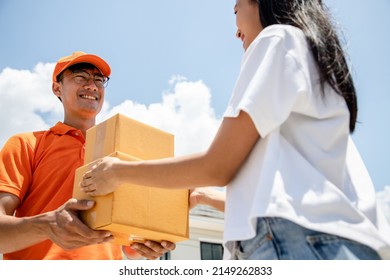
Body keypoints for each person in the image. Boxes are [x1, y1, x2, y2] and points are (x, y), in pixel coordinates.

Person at [80, 0, 390, 260]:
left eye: (235, 8)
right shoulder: (310, 60)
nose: (235, 29)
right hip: (329, 244)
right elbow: (275, 195)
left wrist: (118, 172)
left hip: (294, 241)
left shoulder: (277, 38)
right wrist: (202, 196)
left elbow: (217, 166)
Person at [0, 51, 175, 260]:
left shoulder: (119, 157)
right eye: (80, 76)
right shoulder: (26, 145)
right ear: (57, 88)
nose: (92, 85)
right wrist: (46, 225)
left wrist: (147, 242)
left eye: (99, 80)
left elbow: (129, 246)